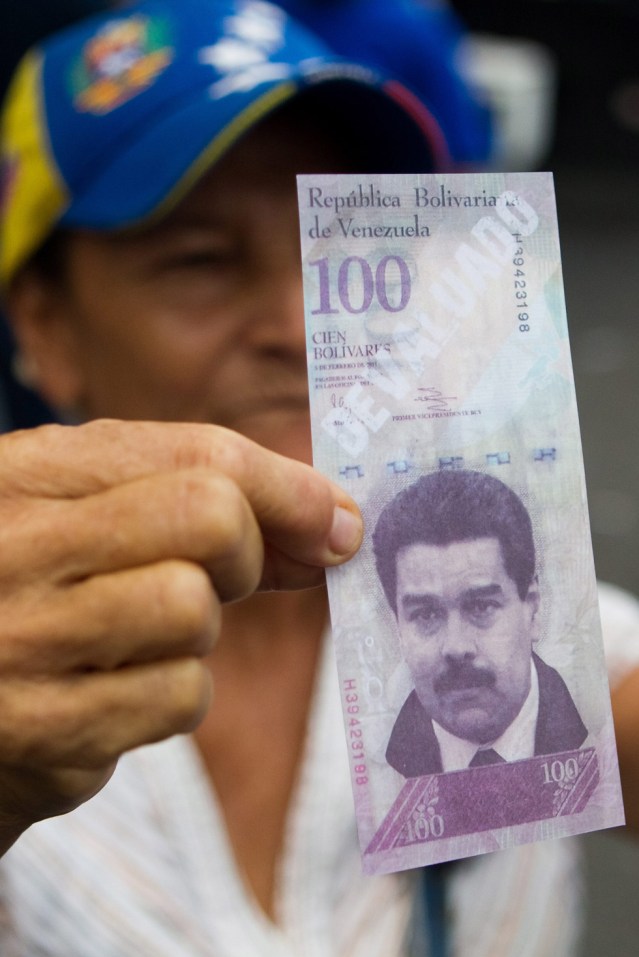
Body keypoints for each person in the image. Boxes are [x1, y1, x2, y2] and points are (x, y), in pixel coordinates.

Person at [0, 2, 638, 955]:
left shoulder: (546, 629)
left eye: (348, 242)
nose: (303, 325)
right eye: (201, 260)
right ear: (44, 327)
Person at [373, 469, 587, 776]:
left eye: (481, 606)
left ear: (533, 608)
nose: (456, 647)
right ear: (397, 627)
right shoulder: (378, 770)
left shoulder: (614, 701)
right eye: (426, 614)